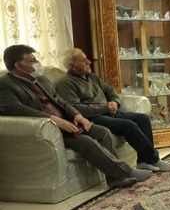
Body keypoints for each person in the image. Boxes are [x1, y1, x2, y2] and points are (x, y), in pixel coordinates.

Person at [0, 44, 152, 188]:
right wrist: (53, 119)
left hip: (68, 121)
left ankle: (114, 179)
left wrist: (77, 115)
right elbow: (16, 109)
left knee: (103, 132)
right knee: (86, 141)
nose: (37, 63)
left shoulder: (41, 79)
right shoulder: (5, 85)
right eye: (32, 61)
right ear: (18, 65)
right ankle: (125, 172)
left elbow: (60, 101)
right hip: (49, 129)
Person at [55, 48, 170, 172]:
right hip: (93, 118)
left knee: (143, 119)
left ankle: (143, 162)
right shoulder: (66, 84)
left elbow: (110, 90)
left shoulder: (92, 77)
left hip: (109, 112)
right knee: (128, 125)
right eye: (84, 60)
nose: (89, 62)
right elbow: (75, 108)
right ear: (72, 66)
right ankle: (153, 159)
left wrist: (115, 102)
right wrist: (105, 108)